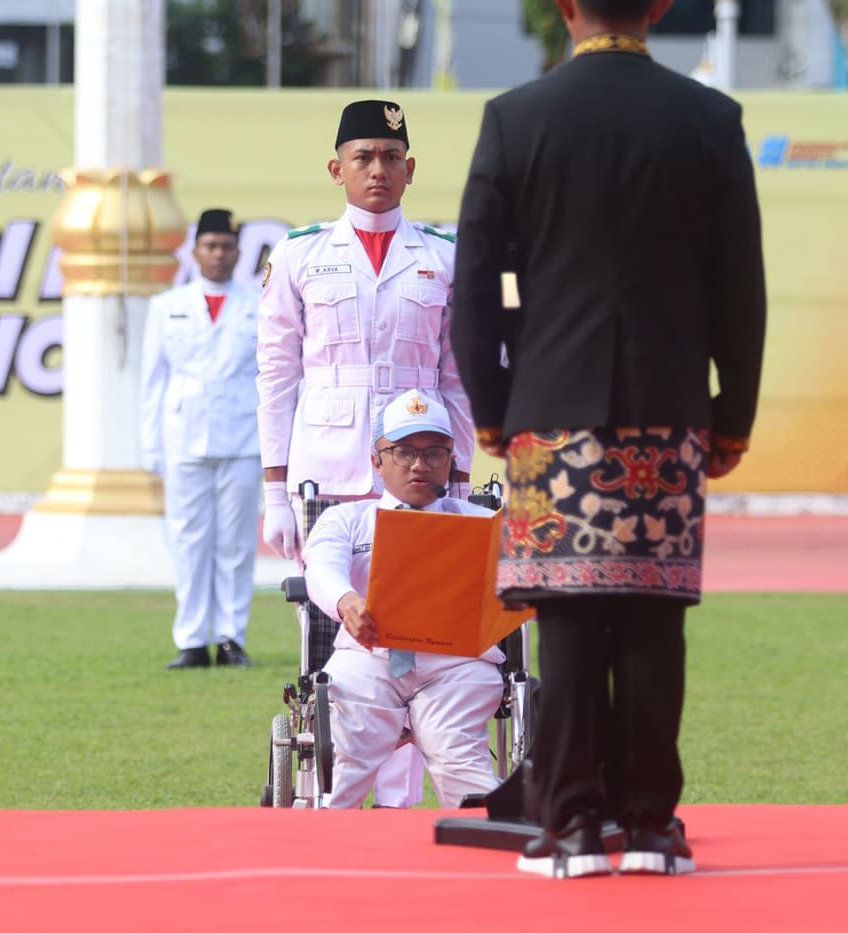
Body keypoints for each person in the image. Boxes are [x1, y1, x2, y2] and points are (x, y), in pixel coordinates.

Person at [452, 0, 767, 878]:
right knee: (653, 617)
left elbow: (475, 281)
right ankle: (653, 824)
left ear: (565, 9)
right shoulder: (708, 118)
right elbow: (739, 284)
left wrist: (489, 406)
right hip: (668, 408)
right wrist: (730, 411)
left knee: (570, 617)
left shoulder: (518, 118)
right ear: (660, 7)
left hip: (549, 412)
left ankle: (574, 825)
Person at [257, 99, 477, 806]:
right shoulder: (300, 254)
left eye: (390, 157)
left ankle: (398, 807)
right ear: (337, 169)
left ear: (410, 168)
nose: (377, 170)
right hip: (327, 476)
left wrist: (462, 482)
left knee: (418, 631)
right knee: (339, 634)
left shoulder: (442, 257)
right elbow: (276, 375)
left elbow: (457, 378)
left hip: (418, 478)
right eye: (363, 157)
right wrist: (273, 487)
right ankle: (341, 784)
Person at [304, 389, 504, 809]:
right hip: (369, 656)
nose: (419, 464)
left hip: (459, 664)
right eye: (402, 452)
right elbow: (320, 567)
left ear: (451, 459)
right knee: (343, 768)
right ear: (377, 461)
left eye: (434, 452)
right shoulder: (347, 519)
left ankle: (484, 855)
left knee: (458, 760)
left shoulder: (486, 524)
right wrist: (347, 602)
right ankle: (321, 853)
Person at [140, 208, 262, 670]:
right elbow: (152, 382)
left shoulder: (257, 303)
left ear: (237, 252)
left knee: (236, 543)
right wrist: (151, 446)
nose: (218, 254)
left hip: (243, 437)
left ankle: (231, 636)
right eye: (210, 246)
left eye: (226, 246)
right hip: (183, 436)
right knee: (189, 541)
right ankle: (192, 638)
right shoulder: (167, 305)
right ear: (195, 252)